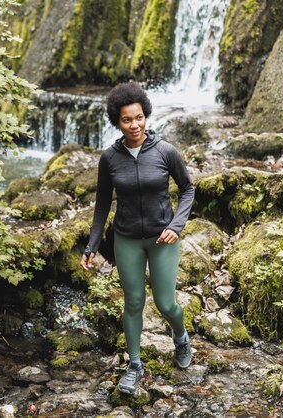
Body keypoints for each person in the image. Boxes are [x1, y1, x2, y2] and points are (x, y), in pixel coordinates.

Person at [80, 82, 195, 394]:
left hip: (163, 238)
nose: (134, 125)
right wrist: (92, 244)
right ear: (117, 122)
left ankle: (181, 337)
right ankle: (134, 365)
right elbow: (102, 203)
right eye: (127, 120)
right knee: (133, 301)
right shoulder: (110, 159)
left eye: (139, 117)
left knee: (166, 303)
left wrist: (177, 225)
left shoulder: (166, 152)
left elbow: (188, 189)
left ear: (146, 116)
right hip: (127, 238)